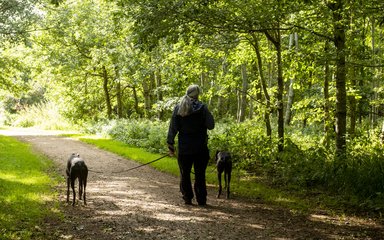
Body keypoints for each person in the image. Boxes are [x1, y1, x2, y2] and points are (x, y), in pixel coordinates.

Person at [167, 84, 215, 206]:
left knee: (185, 173)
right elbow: (211, 125)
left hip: (184, 147)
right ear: (198, 94)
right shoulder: (203, 107)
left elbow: (173, 128)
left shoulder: (179, 107)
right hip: (200, 148)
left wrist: (170, 144)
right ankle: (201, 200)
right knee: (200, 174)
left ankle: (187, 197)